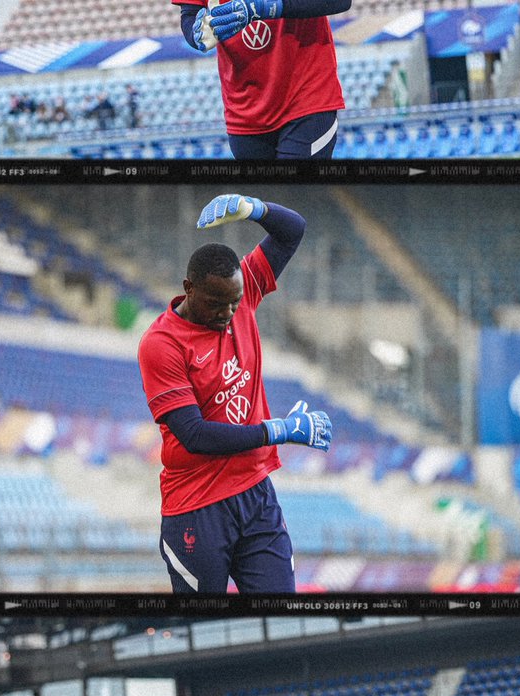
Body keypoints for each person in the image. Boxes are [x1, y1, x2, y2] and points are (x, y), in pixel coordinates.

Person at [138, 193, 332, 594]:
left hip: (255, 493)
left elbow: (292, 230)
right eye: (215, 305)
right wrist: (279, 430)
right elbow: (195, 435)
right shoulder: (161, 344)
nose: (228, 314)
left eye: (235, 303)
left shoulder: (237, 294)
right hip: (197, 506)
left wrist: (253, 209)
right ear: (189, 289)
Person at [174, 0, 350, 159]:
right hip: (244, 108)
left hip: (307, 96)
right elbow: (189, 14)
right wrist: (197, 34)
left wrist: (267, 7)